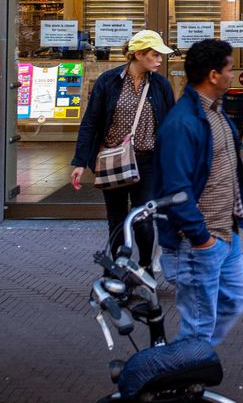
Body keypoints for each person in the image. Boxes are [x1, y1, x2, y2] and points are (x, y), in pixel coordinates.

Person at [155, 38, 243, 347]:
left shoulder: (215, 113)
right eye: (229, 68)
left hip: (225, 232)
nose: (232, 74)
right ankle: (184, 374)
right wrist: (201, 238)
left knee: (237, 295)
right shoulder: (183, 123)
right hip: (201, 240)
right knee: (198, 325)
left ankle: (195, 361)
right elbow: (176, 187)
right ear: (213, 75)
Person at [70, 29, 176, 269]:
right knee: (116, 219)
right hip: (112, 161)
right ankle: (119, 267)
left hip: (147, 161)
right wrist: (79, 161)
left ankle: (146, 266)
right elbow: (91, 121)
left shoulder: (160, 85)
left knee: (144, 219)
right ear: (138, 54)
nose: (160, 60)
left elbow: (171, 125)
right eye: (155, 54)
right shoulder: (108, 81)